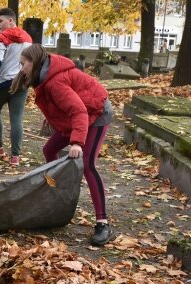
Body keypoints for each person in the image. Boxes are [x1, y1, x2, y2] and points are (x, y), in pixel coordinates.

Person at [11, 44, 114, 246]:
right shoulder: (44, 75)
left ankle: (103, 222)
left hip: (97, 113)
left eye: (23, 64)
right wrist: (52, 118)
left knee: (89, 164)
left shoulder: (55, 81)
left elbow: (79, 112)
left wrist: (76, 142)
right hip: (79, 116)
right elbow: (61, 104)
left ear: (34, 62)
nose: (21, 69)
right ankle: (58, 195)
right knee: (49, 150)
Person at [0, 8, 32, 166]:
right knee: (16, 118)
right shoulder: (28, 38)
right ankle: (15, 157)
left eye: (0, 21)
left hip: (3, 83)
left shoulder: (2, 37)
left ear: (10, 20)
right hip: (22, 82)